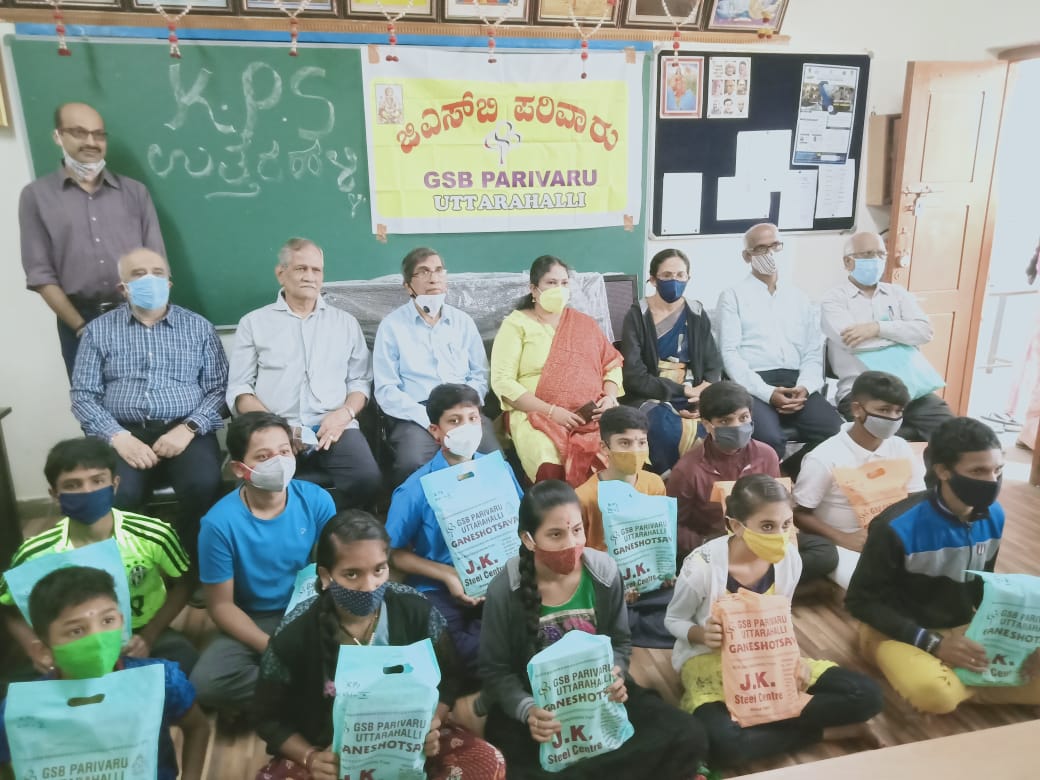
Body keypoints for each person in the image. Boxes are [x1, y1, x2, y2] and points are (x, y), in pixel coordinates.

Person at [479, 480, 709, 779]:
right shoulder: (505, 590)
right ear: (529, 539)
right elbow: (495, 671)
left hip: (600, 698)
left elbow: (621, 641)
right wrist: (528, 710)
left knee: (688, 733)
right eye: (555, 534)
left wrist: (616, 673)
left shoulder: (603, 572)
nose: (570, 543)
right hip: (538, 708)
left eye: (577, 530)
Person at [253, 511, 505, 780]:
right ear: (326, 576)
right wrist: (311, 758)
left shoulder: (416, 610)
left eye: (379, 570)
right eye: (351, 574)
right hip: (328, 753)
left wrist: (432, 725)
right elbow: (267, 719)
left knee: (488, 763)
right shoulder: (295, 634)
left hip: (411, 743)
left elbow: (450, 678)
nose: (369, 585)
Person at [665, 475, 883, 768]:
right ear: (735, 526)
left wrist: (794, 661)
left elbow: (783, 614)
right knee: (721, 744)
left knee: (867, 697)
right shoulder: (701, 567)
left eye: (786, 524)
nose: (780, 535)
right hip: (710, 661)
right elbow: (673, 619)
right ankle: (825, 731)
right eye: (767, 526)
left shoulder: (789, 559)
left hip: (770, 660)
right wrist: (701, 634)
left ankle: (761, 725)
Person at [846, 416, 1040, 713]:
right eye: (978, 470)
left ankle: (963, 682)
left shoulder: (994, 515)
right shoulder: (894, 526)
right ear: (943, 471)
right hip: (894, 632)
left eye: (997, 469)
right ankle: (977, 683)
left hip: (960, 627)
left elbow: (981, 587)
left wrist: (1025, 641)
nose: (992, 481)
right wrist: (934, 644)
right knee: (935, 695)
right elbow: (860, 602)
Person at [70, 247, 227, 562]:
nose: (149, 280)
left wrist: (189, 428)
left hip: (186, 429)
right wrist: (117, 437)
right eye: (138, 274)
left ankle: (191, 563)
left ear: (169, 282)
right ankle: (138, 568)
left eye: (157, 273)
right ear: (123, 288)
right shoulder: (97, 332)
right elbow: (83, 395)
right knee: (117, 494)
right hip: (122, 431)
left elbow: (219, 389)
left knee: (203, 485)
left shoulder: (199, 328)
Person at [0, 438, 197, 674]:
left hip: (138, 633)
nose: (87, 491)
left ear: (114, 485)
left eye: (97, 481)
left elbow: (184, 583)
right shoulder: (35, 552)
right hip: (70, 644)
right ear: (55, 494)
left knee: (181, 658)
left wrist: (150, 635)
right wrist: (35, 647)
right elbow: (8, 607)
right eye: (73, 485)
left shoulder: (154, 534)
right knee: (20, 686)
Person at [0, 566, 209, 780]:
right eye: (77, 630)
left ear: (122, 621)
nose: (98, 639)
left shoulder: (162, 681)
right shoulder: (20, 710)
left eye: (107, 621)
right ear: (44, 652)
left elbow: (197, 727)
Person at [191, 412, 335, 714]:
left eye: (284, 451)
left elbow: (330, 567)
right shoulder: (218, 524)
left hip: (308, 607)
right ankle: (307, 693)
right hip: (253, 616)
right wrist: (273, 648)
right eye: (263, 456)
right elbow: (221, 607)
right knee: (207, 683)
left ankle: (277, 696)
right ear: (240, 468)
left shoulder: (317, 500)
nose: (279, 462)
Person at [227, 237, 380, 509]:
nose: (310, 276)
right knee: (263, 487)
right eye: (301, 269)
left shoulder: (345, 323)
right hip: (275, 430)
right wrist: (280, 429)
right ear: (280, 273)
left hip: (334, 427)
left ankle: (336, 534)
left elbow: (360, 381)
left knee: (368, 479)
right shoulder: (254, 323)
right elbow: (240, 390)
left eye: (316, 270)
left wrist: (343, 415)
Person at [20, 102, 167, 378]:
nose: (91, 142)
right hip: (78, 319)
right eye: (79, 132)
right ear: (58, 136)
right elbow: (40, 274)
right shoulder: (36, 197)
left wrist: (151, 319)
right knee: (94, 411)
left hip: (136, 315)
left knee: (151, 404)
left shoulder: (135, 193)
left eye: (99, 134)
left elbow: (157, 264)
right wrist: (80, 328)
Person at [386, 383, 523, 675]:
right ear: (435, 431)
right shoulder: (415, 489)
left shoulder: (499, 470)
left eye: (473, 418)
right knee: (451, 653)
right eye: (455, 421)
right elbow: (392, 553)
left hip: (501, 581)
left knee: (531, 629)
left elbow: (522, 524)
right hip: (440, 589)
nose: (467, 427)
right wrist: (448, 575)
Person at [667, 382, 837, 580]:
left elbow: (779, 505)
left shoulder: (766, 455)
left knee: (825, 552)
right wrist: (707, 543)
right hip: (721, 546)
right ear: (707, 425)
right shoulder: (688, 469)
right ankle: (764, 581)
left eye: (743, 418)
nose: (737, 426)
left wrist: (781, 536)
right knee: (696, 566)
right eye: (725, 421)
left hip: (766, 538)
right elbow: (673, 526)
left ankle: (749, 581)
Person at [715, 222, 842, 465]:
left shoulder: (800, 298)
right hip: (753, 384)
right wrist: (767, 392)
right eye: (761, 249)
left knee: (837, 433)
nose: (770, 253)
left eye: (775, 246)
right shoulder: (733, 296)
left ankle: (791, 476)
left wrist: (805, 387)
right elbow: (729, 354)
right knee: (768, 440)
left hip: (797, 383)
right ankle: (774, 484)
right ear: (747, 256)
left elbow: (813, 352)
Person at [490, 256, 623, 486]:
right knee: (549, 460)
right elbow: (503, 381)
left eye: (564, 283)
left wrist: (610, 398)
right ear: (534, 288)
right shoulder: (516, 324)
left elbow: (611, 364)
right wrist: (551, 411)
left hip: (591, 415)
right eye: (551, 283)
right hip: (535, 415)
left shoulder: (584, 324)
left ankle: (599, 518)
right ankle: (556, 518)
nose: (559, 289)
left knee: (618, 452)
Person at [374, 247, 498, 486]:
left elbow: (480, 375)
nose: (433, 278)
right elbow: (386, 389)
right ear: (407, 286)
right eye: (423, 272)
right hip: (416, 414)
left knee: (492, 459)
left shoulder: (463, 322)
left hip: (465, 410)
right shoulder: (392, 327)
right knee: (412, 463)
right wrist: (427, 419)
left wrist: (464, 413)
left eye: (438, 270)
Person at [794, 371, 926, 589]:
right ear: (857, 409)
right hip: (845, 543)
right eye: (883, 410)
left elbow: (916, 499)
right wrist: (842, 539)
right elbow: (799, 513)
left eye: (898, 411)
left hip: (894, 537)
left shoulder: (900, 446)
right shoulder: (823, 457)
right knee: (877, 586)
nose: (893, 418)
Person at [821, 231, 953, 442]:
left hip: (910, 388)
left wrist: (877, 328)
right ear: (848, 262)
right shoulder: (834, 299)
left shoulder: (897, 293)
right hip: (859, 392)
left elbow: (925, 331)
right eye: (867, 254)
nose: (876, 260)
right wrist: (902, 334)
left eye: (880, 254)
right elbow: (852, 341)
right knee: (882, 444)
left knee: (955, 435)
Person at [574, 406, 673, 648]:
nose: (636, 450)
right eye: (625, 443)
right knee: (614, 620)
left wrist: (665, 572)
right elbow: (580, 555)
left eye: (641, 442)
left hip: (650, 581)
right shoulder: (585, 496)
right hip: (608, 584)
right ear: (604, 448)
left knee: (681, 609)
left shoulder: (654, 483)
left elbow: (662, 538)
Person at [620, 248, 722, 474]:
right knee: (665, 428)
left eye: (680, 275)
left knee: (718, 423)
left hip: (695, 391)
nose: (674, 281)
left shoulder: (695, 311)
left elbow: (713, 362)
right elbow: (634, 376)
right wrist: (684, 393)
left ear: (688, 278)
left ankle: (702, 487)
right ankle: (667, 485)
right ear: (653, 279)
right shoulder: (638, 314)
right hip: (650, 393)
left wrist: (706, 389)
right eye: (666, 276)